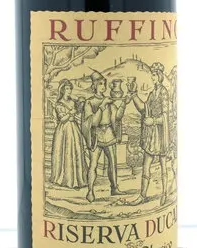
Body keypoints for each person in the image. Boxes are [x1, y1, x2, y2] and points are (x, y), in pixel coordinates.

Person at [129, 62, 171, 206]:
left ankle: (165, 193)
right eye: (151, 75)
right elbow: (144, 109)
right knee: (146, 164)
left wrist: (152, 121)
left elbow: (165, 116)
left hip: (161, 134)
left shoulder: (163, 93)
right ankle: (143, 195)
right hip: (152, 134)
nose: (152, 77)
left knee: (163, 164)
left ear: (159, 75)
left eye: (154, 75)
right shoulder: (153, 93)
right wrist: (134, 94)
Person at [82, 73, 126, 203]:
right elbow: (93, 122)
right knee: (93, 165)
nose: (103, 86)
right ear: (94, 85)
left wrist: (123, 104)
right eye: (100, 84)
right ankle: (90, 191)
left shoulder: (108, 101)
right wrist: (102, 105)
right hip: (96, 135)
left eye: (104, 84)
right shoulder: (89, 102)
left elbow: (117, 117)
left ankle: (114, 187)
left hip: (109, 134)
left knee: (113, 163)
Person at [50, 80, 87, 188]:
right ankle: (66, 179)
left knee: (76, 150)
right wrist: (71, 113)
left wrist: (80, 105)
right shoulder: (59, 103)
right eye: (67, 89)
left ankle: (77, 179)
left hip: (74, 128)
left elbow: (77, 113)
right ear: (62, 90)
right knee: (65, 151)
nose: (69, 90)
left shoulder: (72, 102)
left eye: (70, 88)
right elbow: (62, 119)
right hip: (64, 130)